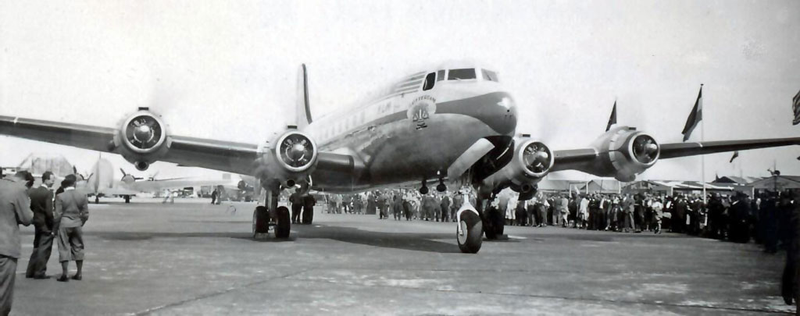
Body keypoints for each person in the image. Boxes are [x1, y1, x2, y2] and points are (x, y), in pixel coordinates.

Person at [1, 171, 33, 315]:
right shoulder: (18, 190)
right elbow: (27, 219)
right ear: (25, 182)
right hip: (5, 246)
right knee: (3, 293)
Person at [53, 175, 89, 282]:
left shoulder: (60, 196)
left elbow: (57, 215)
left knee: (64, 247)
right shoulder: (82, 195)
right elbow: (86, 214)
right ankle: (79, 273)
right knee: (78, 247)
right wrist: (80, 223)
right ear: (74, 184)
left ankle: (65, 274)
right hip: (77, 223)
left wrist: (54, 229)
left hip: (64, 223)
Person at [26, 171, 56, 279]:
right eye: (52, 179)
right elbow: (49, 212)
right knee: (44, 249)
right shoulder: (48, 193)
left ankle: (30, 271)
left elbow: (31, 207)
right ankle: (39, 272)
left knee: (36, 247)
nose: (53, 181)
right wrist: (52, 224)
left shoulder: (34, 192)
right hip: (45, 224)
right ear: (46, 179)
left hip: (37, 222)